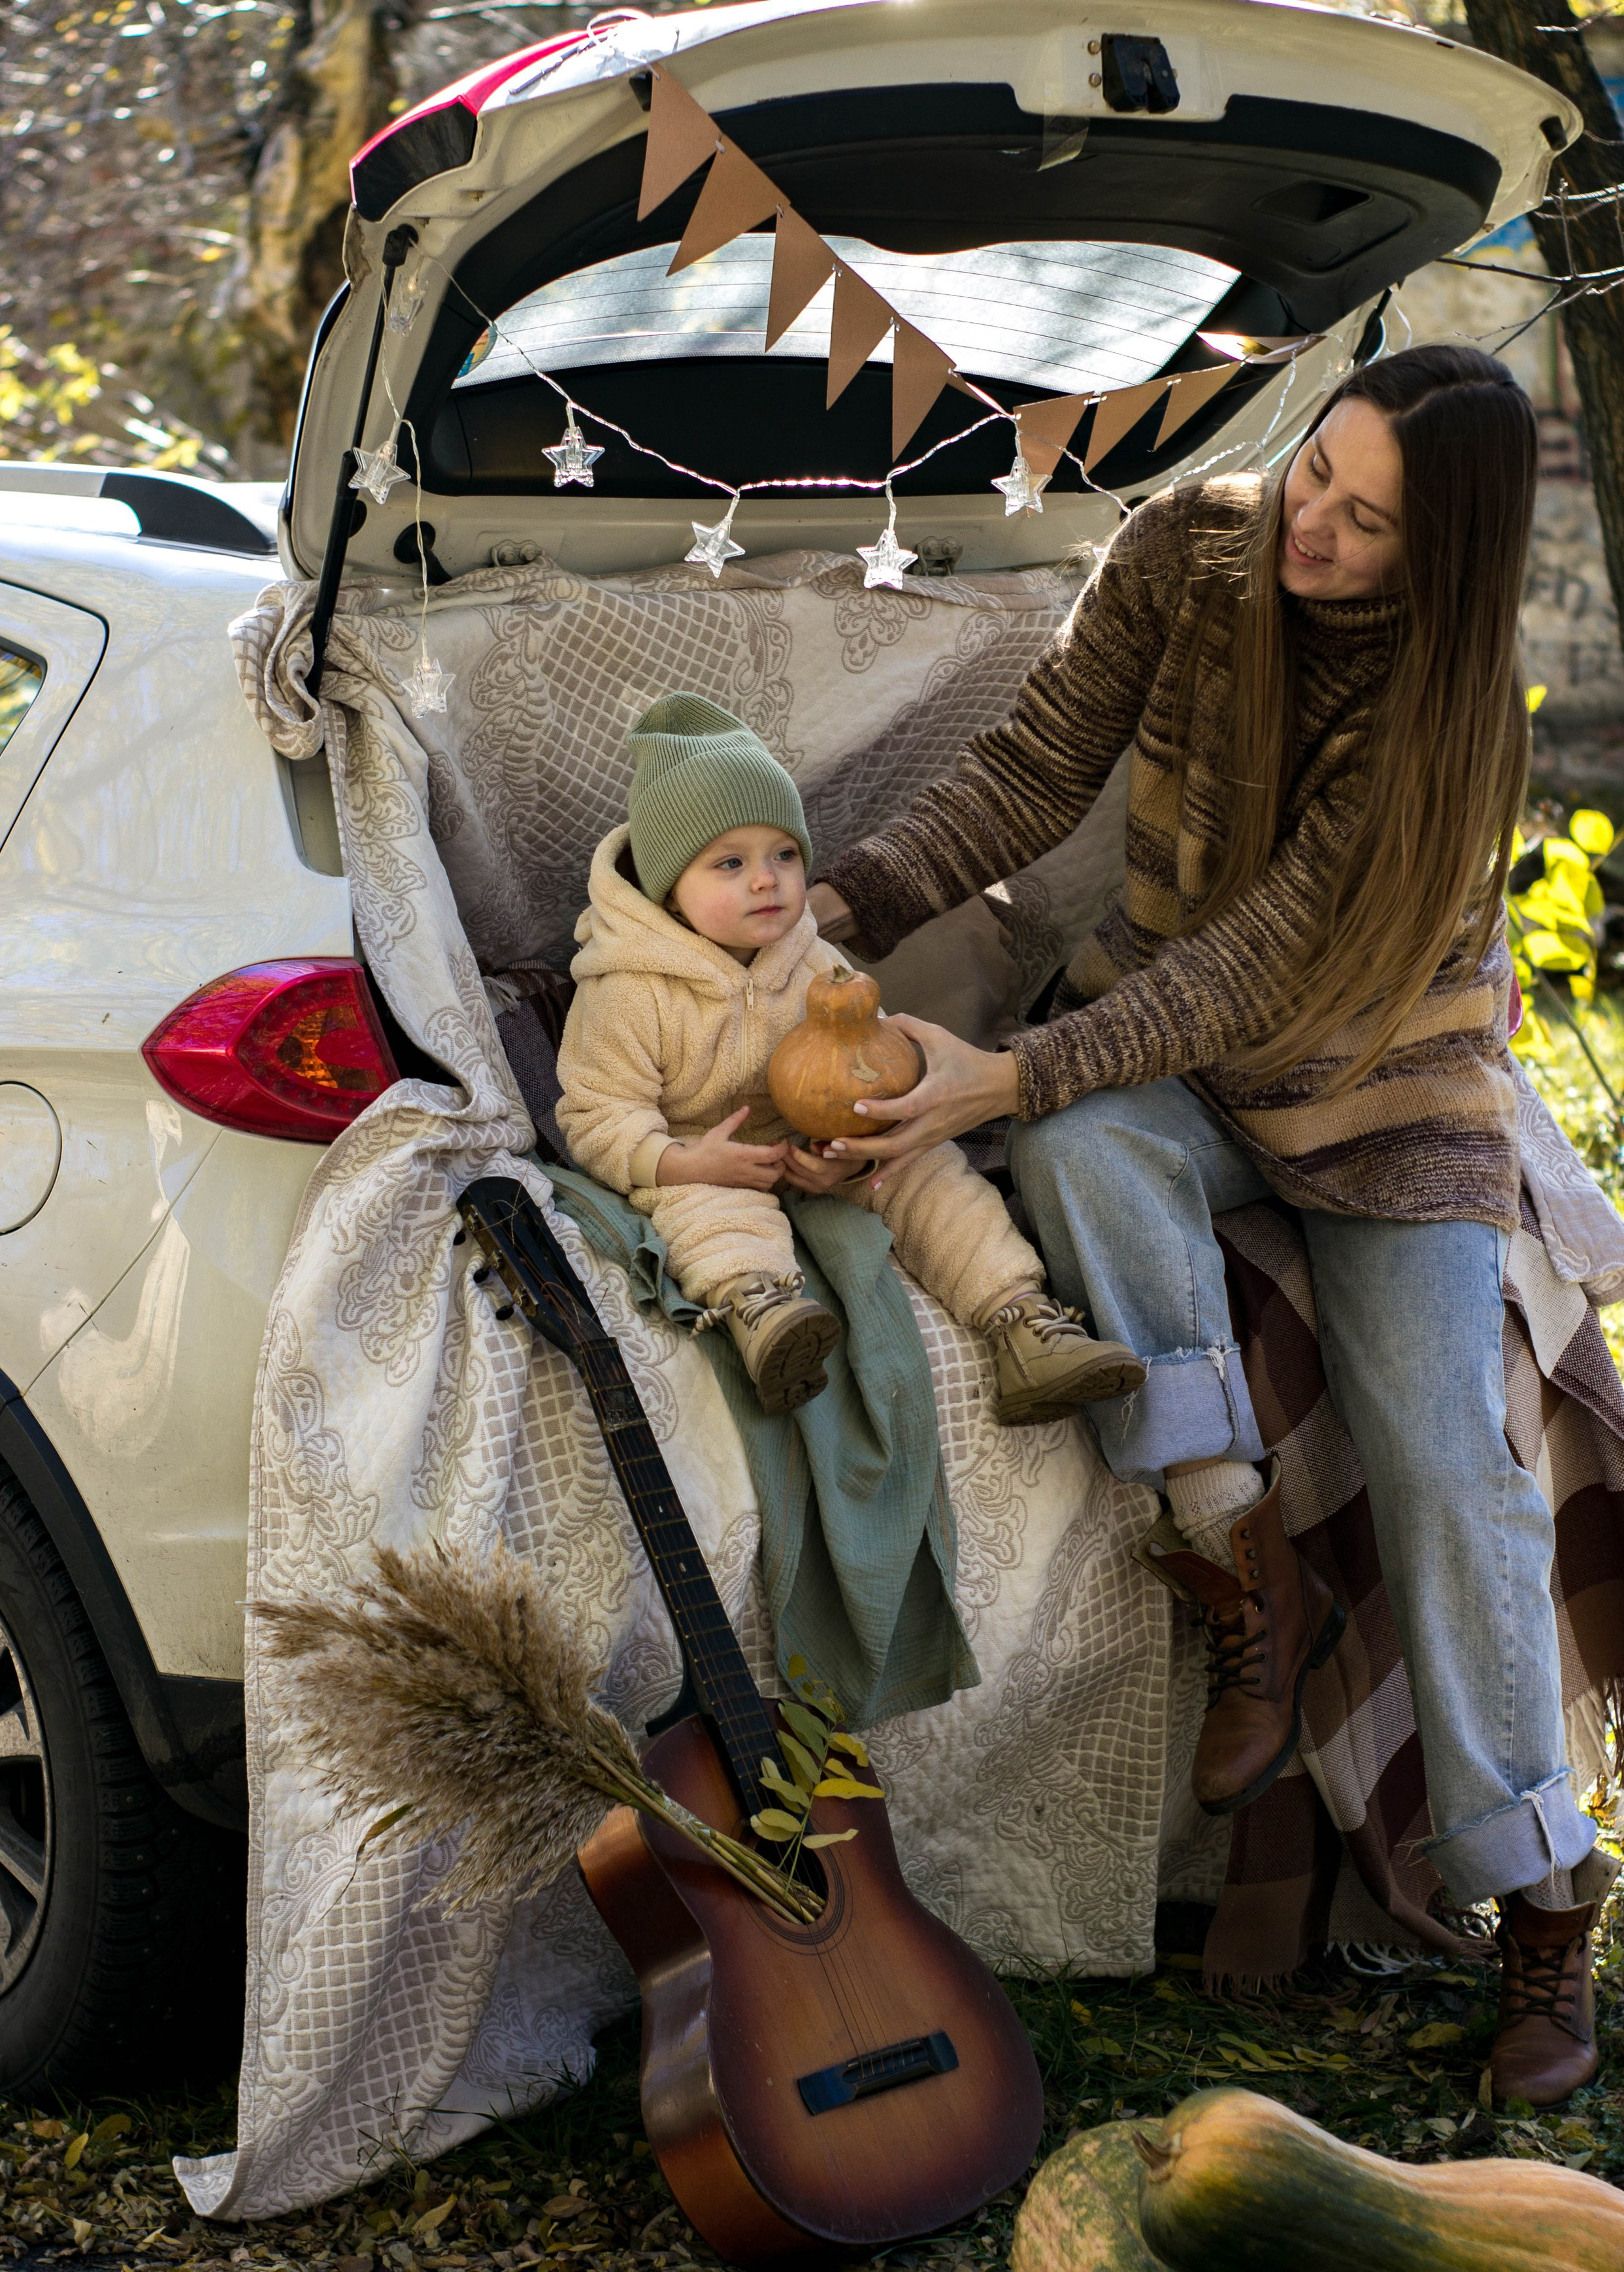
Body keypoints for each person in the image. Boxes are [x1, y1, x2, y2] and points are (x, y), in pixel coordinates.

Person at [804, 344, 1615, 2107]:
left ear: (1446, 561)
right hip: (1175, 1056)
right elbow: (1031, 774)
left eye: (1368, 522)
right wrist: (838, 910)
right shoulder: (1188, 552)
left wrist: (998, 1078)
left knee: (1444, 1456)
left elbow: (1260, 972)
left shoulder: (1448, 723)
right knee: (1088, 1134)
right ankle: (1239, 1560)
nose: (1312, 524)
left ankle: (1544, 1902)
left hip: (1382, 1105)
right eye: (1320, 470)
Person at [554, 693, 1146, 1418]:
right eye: (729, 863)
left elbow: (871, 1066)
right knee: (705, 1213)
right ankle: (762, 1314)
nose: (767, 879)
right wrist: (681, 1162)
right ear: (670, 892)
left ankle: (1020, 1322)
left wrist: (856, 1151)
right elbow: (594, 1116)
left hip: (822, 1152)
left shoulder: (812, 960)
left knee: (930, 1176)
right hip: (699, 1153)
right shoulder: (627, 989)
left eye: (783, 855)